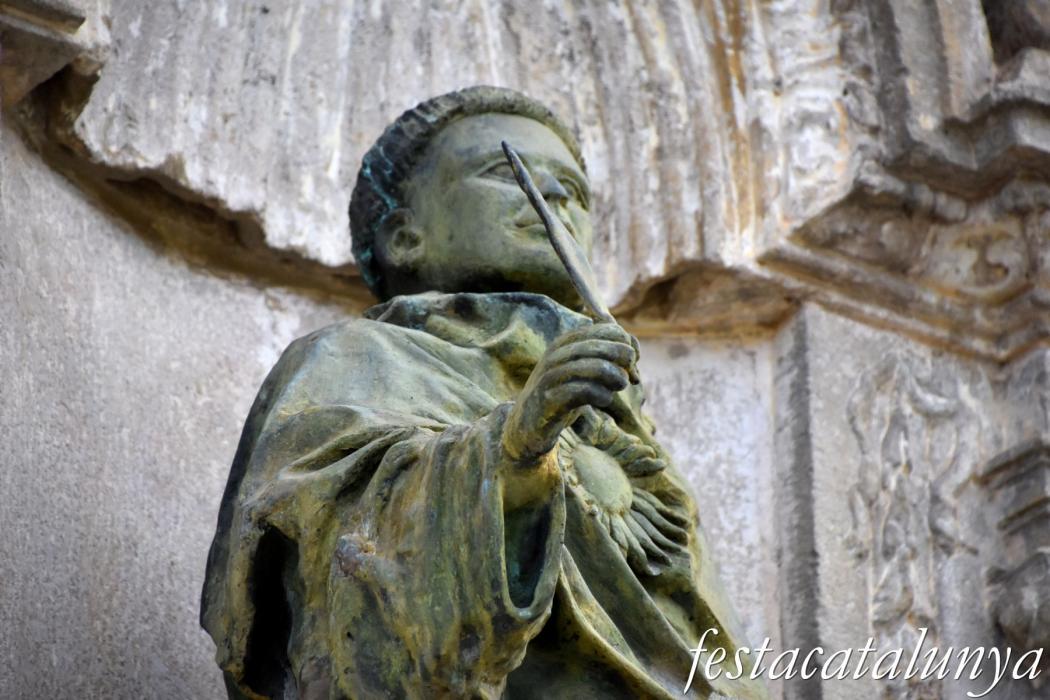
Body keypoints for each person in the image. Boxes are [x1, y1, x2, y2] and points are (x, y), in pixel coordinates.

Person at [202, 86, 765, 699]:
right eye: (508, 173)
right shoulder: (351, 360)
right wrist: (512, 451)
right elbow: (326, 554)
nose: (552, 199)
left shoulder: (619, 412)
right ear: (403, 237)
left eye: (573, 191)